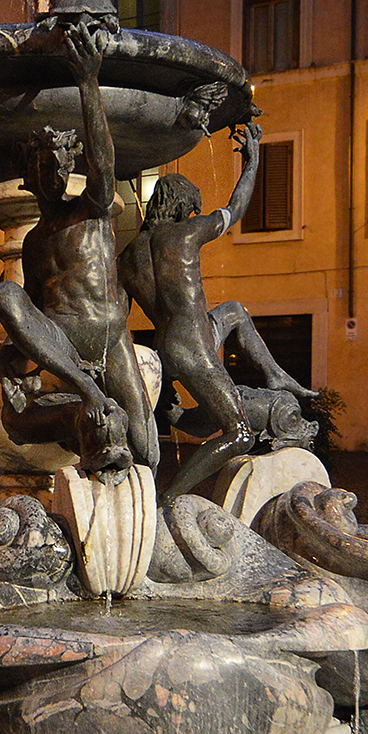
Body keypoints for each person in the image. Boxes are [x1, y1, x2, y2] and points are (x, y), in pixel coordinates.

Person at [0, 21, 159, 479]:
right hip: (63, 339)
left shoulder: (93, 210)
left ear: (69, 170)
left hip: (108, 332)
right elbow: (34, 308)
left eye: (58, 165)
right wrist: (10, 356)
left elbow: (105, 161)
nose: (51, 174)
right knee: (6, 295)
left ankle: (148, 517)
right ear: (28, 174)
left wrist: (88, 80)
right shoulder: (33, 241)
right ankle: (86, 397)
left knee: (145, 442)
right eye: (41, 166)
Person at [118, 124, 316, 497]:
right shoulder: (188, 232)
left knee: (234, 312)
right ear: (182, 208)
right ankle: (170, 498)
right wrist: (252, 160)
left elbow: (118, 317)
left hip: (167, 348)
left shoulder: (127, 257)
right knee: (238, 432)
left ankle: (273, 376)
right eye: (192, 208)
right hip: (195, 347)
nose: (196, 212)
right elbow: (237, 206)